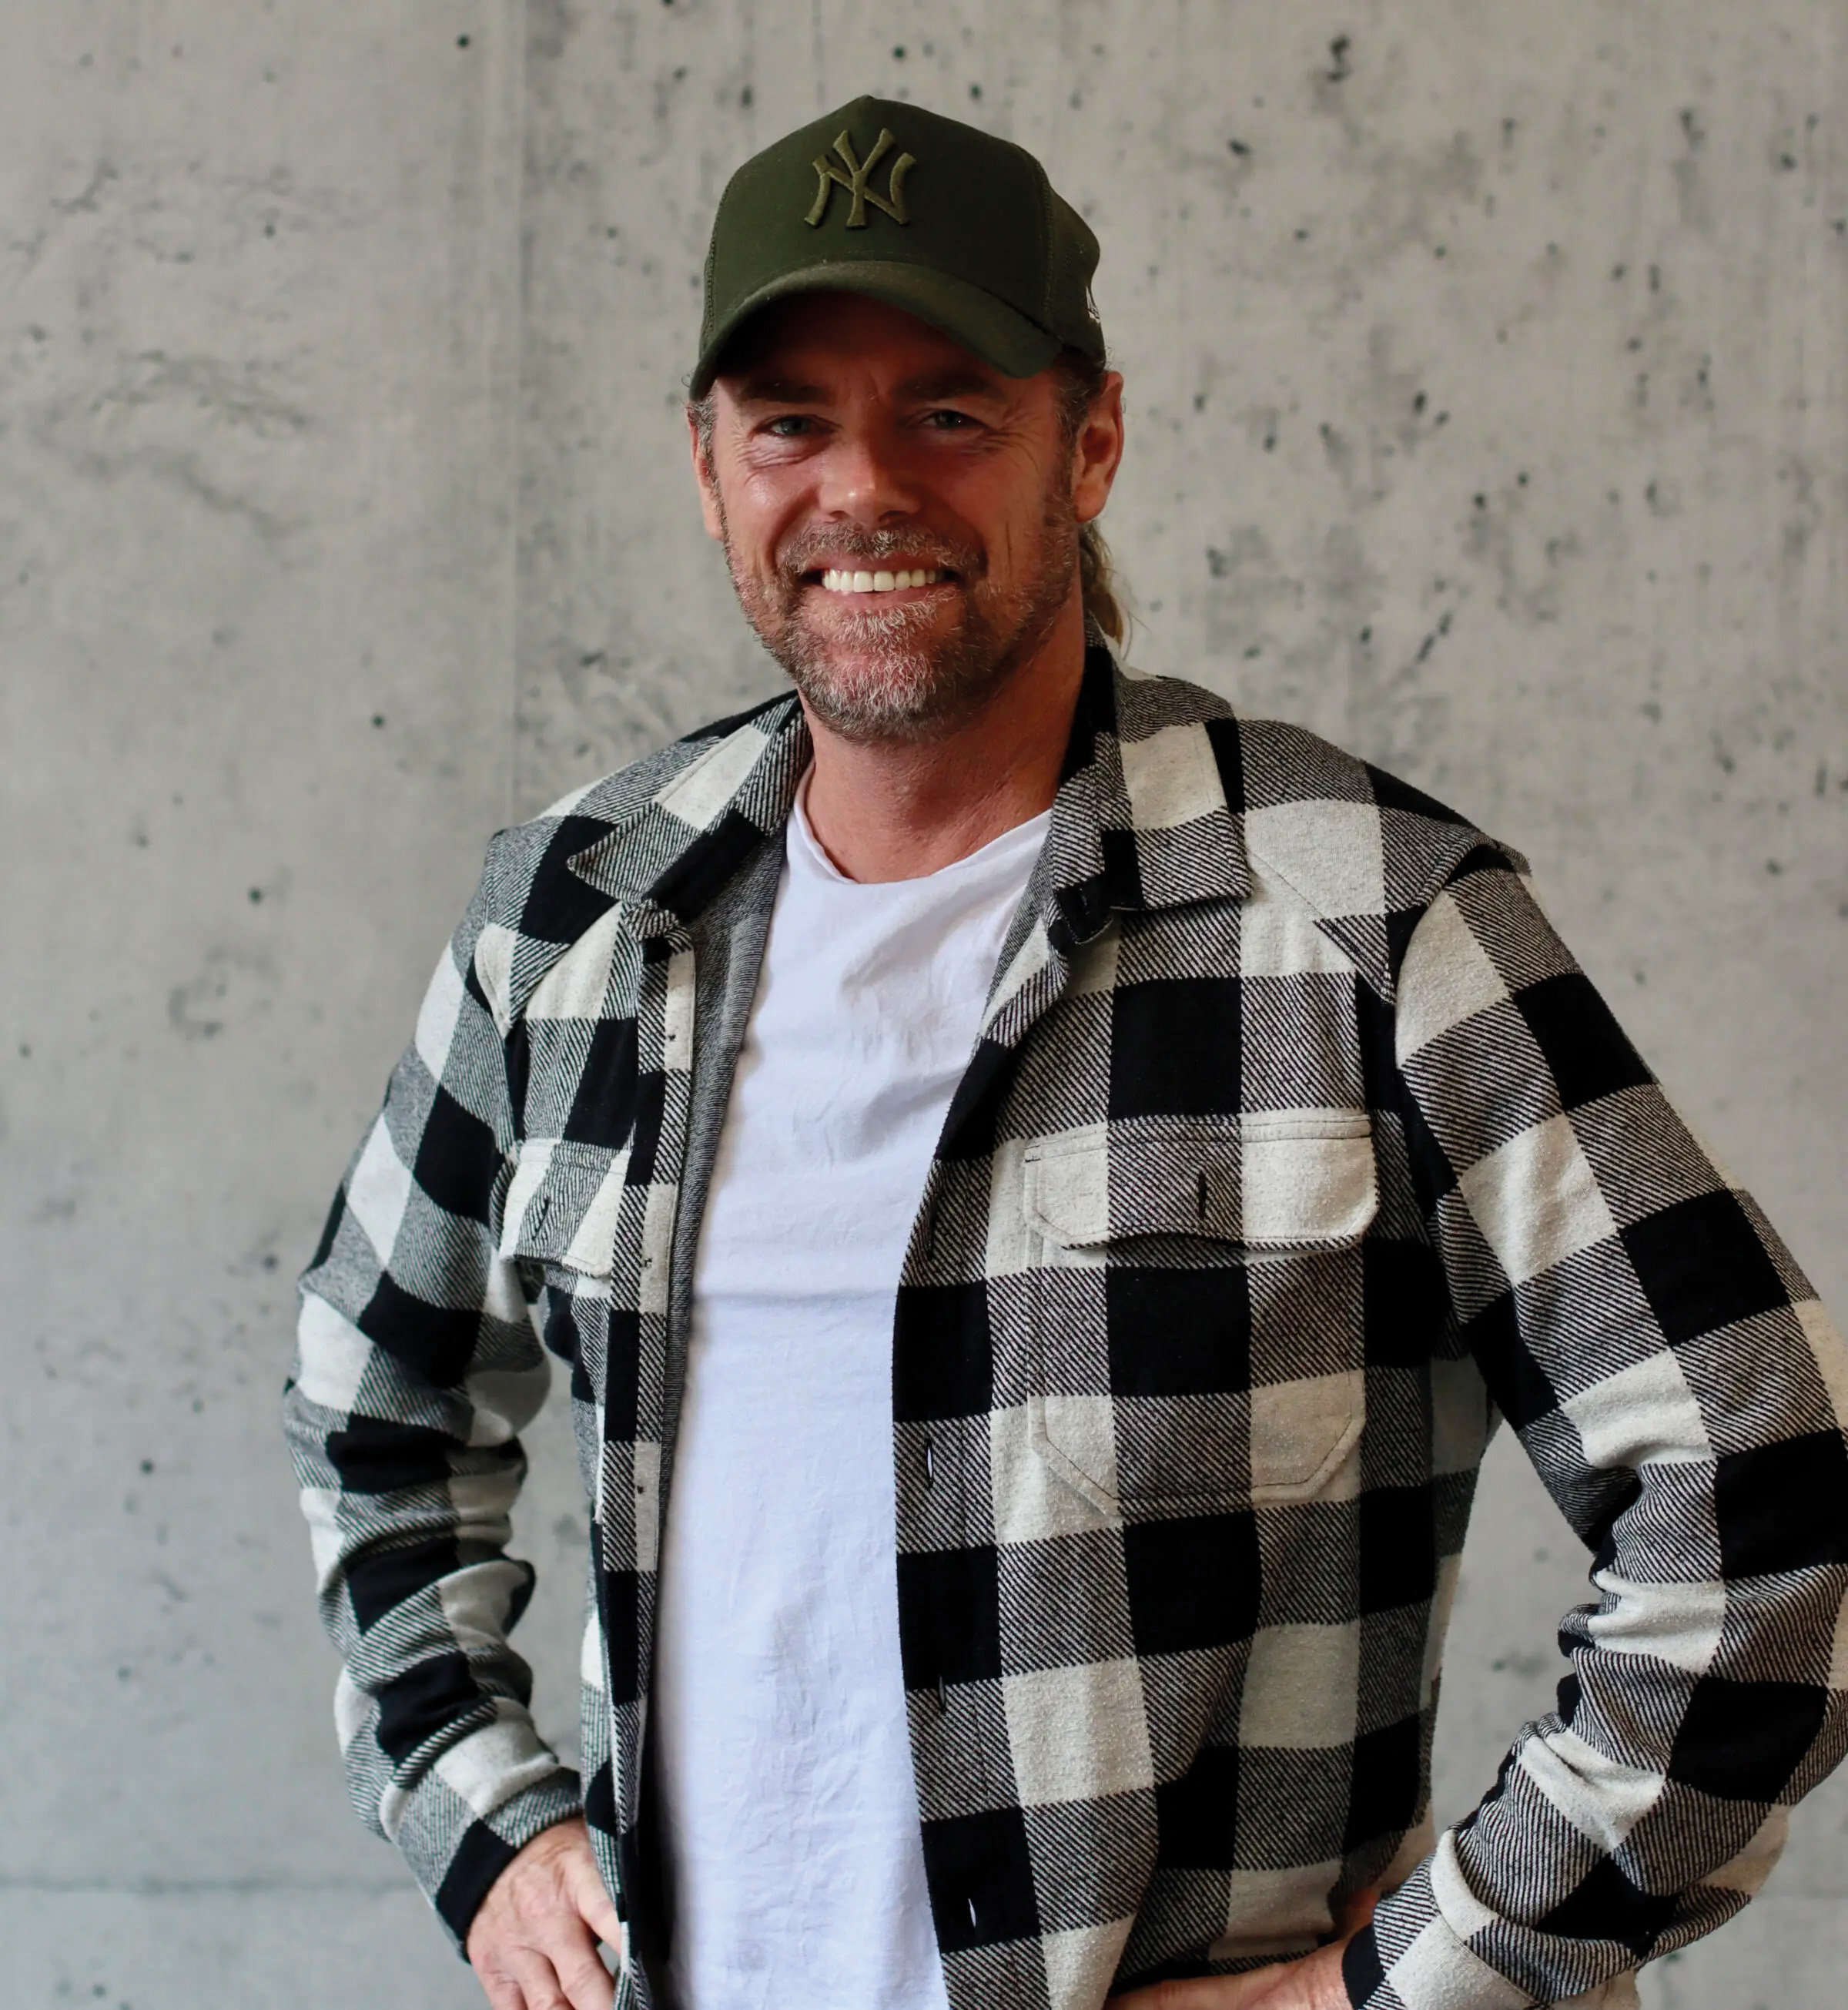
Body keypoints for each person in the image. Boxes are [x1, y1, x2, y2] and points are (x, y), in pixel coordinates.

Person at [283, 95, 1848, 2010]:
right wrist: (478, 1803)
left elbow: (1771, 1498)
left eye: (950, 412)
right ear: (707, 465)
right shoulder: (571, 925)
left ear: (1089, 440)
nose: (863, 487)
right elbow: (372, 1401)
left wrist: (1410, 1985)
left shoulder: (1362, 923)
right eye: (790, 422)